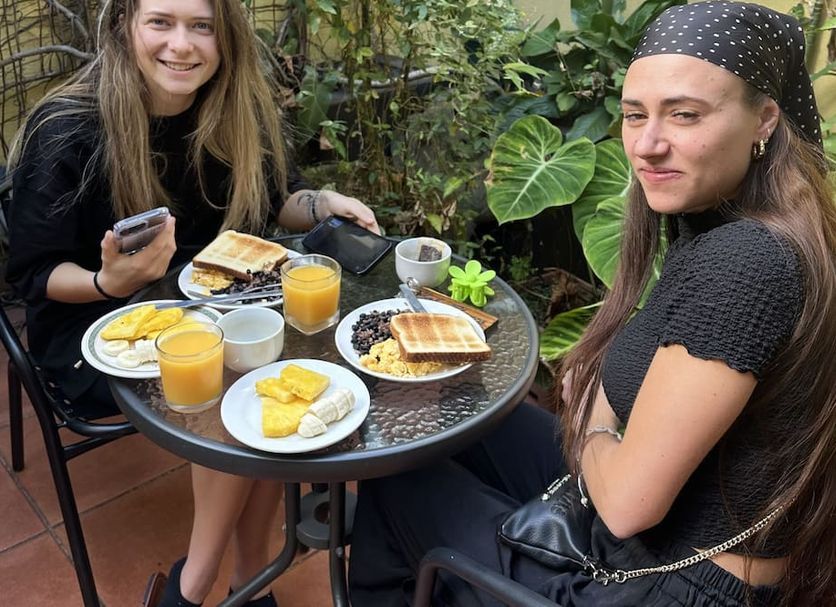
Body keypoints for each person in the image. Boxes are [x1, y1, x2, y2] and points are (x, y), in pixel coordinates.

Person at [347, 2, 836, 606]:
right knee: (451, 411)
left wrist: (591, 423)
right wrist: (593, 404)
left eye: (684, 114)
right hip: (666, 534)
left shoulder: (745, 262)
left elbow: (629, 505)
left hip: (670, 585)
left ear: (764, 120)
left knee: (398, 474)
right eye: (635, 115)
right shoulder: (728, 221)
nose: (648, 145)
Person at [5, 0, 378, 606]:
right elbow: (35, 274)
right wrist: (109, 282)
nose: (182, 45)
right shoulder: (68, 127)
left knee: (265, 364)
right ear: (124, 25)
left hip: (210, 309)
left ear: (224, 35)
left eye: (201, 26)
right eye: (161, 21)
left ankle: (248, 575)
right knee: (239, 382)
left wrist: (322, 203)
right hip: (97, 328)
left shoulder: (235, 108)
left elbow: (276, 200)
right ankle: (195, 585)